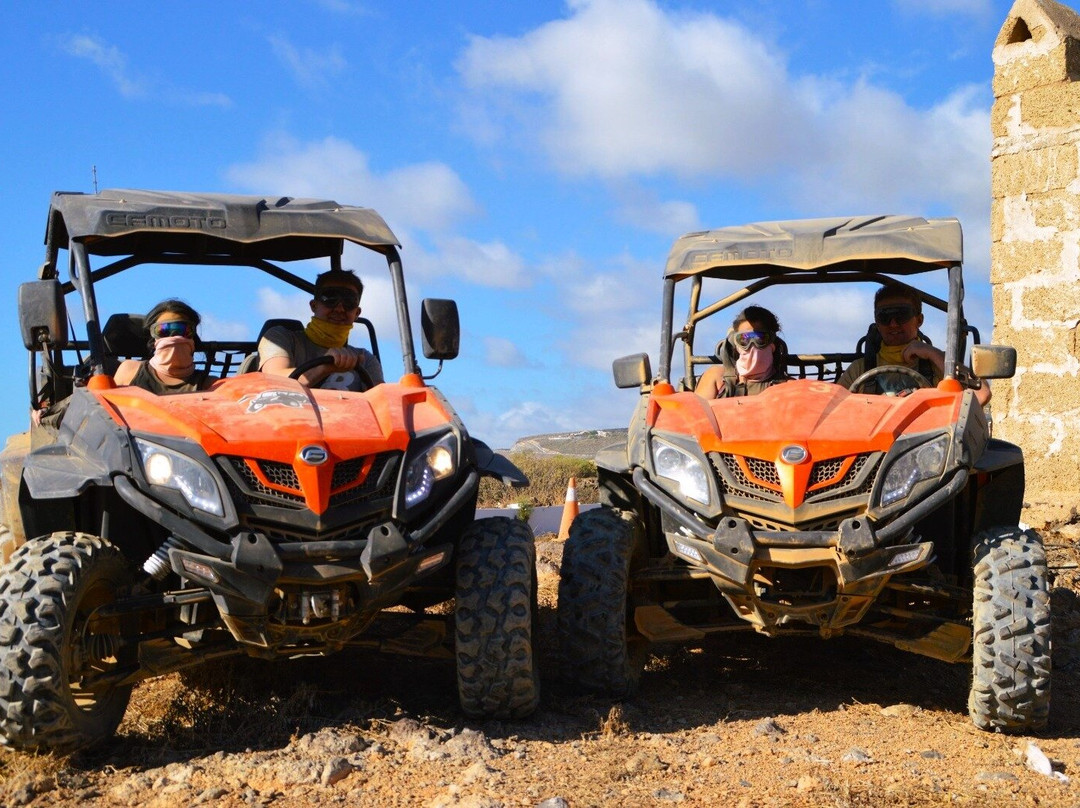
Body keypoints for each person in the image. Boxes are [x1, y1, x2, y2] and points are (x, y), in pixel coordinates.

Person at [838, 283, 990, 406]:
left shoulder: (940, 366)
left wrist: (932, 353)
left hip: (929, 443)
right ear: (877, 323)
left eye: (901, 315)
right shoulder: (859, 370)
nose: (893, 324)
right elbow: (832, 412)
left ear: (919, 320)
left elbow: (981, 394)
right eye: (884, 317)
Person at [258, 268, 384, 390]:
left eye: (349, 301)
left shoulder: (365, 360)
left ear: (357, 313)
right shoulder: (278, 338)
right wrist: (324, 367)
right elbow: (274, 383)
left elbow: (382, 402)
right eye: (330, 298)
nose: (339, 309)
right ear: (314, 305)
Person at [114, 299, 216, 393]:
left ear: (193, 336)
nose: (173, 336)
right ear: (153, 336)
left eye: (182, 330)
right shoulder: (130, 371)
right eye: (163, 331)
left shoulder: (211, 385)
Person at [695, 305, 789, 398]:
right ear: (735, 344)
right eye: (743, 339)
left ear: (772, 343)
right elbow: (698, 412)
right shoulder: (717, 378)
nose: (752, 345)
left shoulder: (787, 386)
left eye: (760, 338)